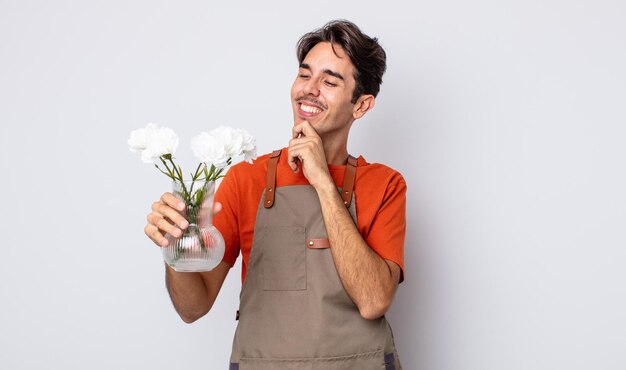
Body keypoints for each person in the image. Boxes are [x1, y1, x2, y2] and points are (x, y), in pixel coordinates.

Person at [144, 19, 406, 370]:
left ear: (361, 106)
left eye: (329, 81)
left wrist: (323, 183)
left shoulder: (385, 184)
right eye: (304, 74)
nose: (309, 89)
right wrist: (174, 246)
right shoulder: (245, 180)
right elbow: (193, 308)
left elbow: (374, 301)